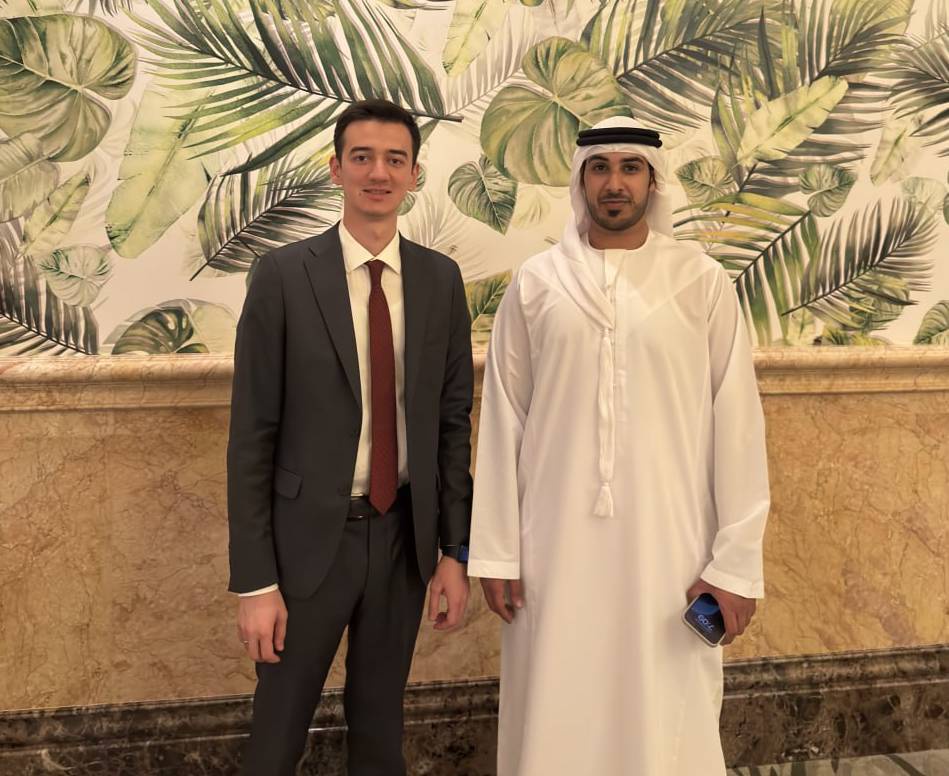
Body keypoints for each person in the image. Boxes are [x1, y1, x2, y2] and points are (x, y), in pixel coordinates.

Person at [467, 116, 770, 776]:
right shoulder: (537, 282)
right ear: (580, 181)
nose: (614, 183)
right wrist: (496, 551)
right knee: (556, 706)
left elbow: (738, 426)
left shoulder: (699, 281)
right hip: (552, 551)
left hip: (671, 550)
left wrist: (735, 564)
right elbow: (504, 420)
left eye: (630, 168)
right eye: (599, 168)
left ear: (653, 182)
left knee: (665, 712)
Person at [227, 98, 474, 776]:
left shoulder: (440, 280)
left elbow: (453, 425)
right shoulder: (282, 276)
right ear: (336, 169)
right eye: (361, 157)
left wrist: (454, 551)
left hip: (403, 542)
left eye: (395, 159)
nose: (378, 173)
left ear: (414, 174)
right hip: (306, 546)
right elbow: (251, 438)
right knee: (276, 737)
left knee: (380, 736)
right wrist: (254, 582)